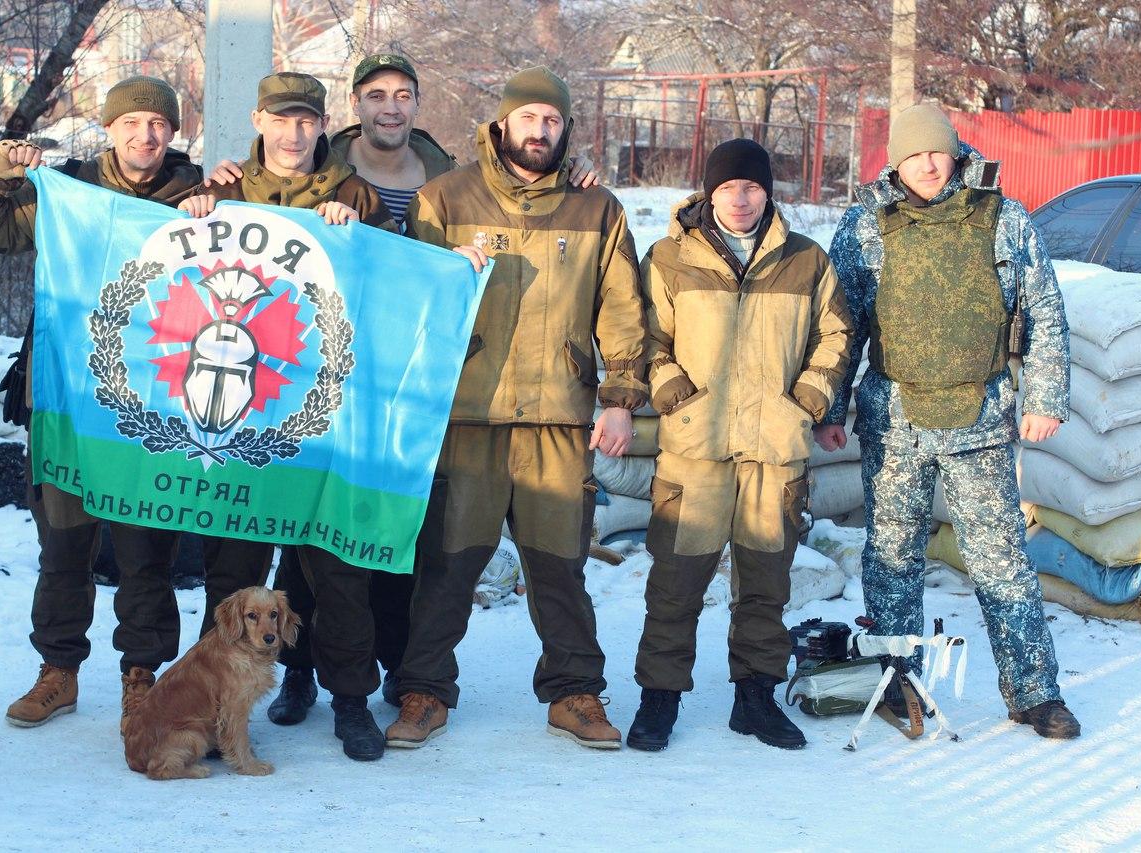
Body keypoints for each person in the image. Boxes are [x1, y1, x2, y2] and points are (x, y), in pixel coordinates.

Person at [203, 53, 601, 728]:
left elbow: (436, 256)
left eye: (404, 95)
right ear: (354, 106)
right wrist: (205, 191)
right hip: (282, 379)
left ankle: (384, 677)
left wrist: (572, 174)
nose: (391, 106)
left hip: (381, 381)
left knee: (372, 550)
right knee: (292, 552)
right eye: (377, 95)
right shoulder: (324, 173)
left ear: (416, 104)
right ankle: (292, 676)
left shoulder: (443, 174)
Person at [381, 66, 647, 751]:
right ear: (502, 125)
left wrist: (619, 398)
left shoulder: (598, 208)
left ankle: (575, 691)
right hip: (466, 414)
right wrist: (449, 272)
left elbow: (622, 311)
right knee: (447, 563)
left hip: (557, 416)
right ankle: (423, 689)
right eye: (529, 118)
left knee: (559, 567)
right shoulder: (443, 198)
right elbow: (409, 300)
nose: (541, 130)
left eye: (553, 120)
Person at [822, 103, 1080, 739]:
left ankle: (1033, 693)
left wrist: (1045, 397)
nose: (928, 165)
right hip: (895, 415)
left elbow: (1044, 309)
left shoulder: (1003, 219)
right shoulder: (864, 227)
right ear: (896, 163)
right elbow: (840, 325)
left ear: (956, 152)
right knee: (890, 556)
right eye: (914, 155)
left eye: (937, 152)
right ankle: (897, 682)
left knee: (1001, 561)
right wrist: (831, 407)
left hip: (979, 418)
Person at [0, 76, 201, 731]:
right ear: (110, 127)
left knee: (147, 550)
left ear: (173, 132)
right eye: (131, 122)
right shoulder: (69, 192)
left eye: (157, 122)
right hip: (64, 392)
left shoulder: (198, 196)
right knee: (64, 544)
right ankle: (57, 671)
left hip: (152, 404)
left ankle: (142, 677)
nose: (145, 134)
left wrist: (226, 197)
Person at [183, 71, 398, 761]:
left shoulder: (352, 190)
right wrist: (193, 208)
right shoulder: (224, 191)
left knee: (335, 571)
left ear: (321, 125)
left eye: (306, 120)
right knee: (235, 569)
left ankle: (348, 699)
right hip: (242, 418)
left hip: (328, 415)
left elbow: (399, 269)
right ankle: (216, 700)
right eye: (281, 119)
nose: (293, 133)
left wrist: (363, 231)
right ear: (258, 119)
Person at [625, 139, 853, 752]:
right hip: (695, 452)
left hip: (774, 451)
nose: (741, 197)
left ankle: (754, 699)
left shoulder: (806, 261)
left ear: (768, 191)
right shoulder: (671, 259)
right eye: (728, 187)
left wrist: (804, 402)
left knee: (765, 585)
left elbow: (835, 335)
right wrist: (678, 397)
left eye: (751, 186)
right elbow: (645, 337)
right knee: (675, 583)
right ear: (710, 191)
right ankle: (660, 700)